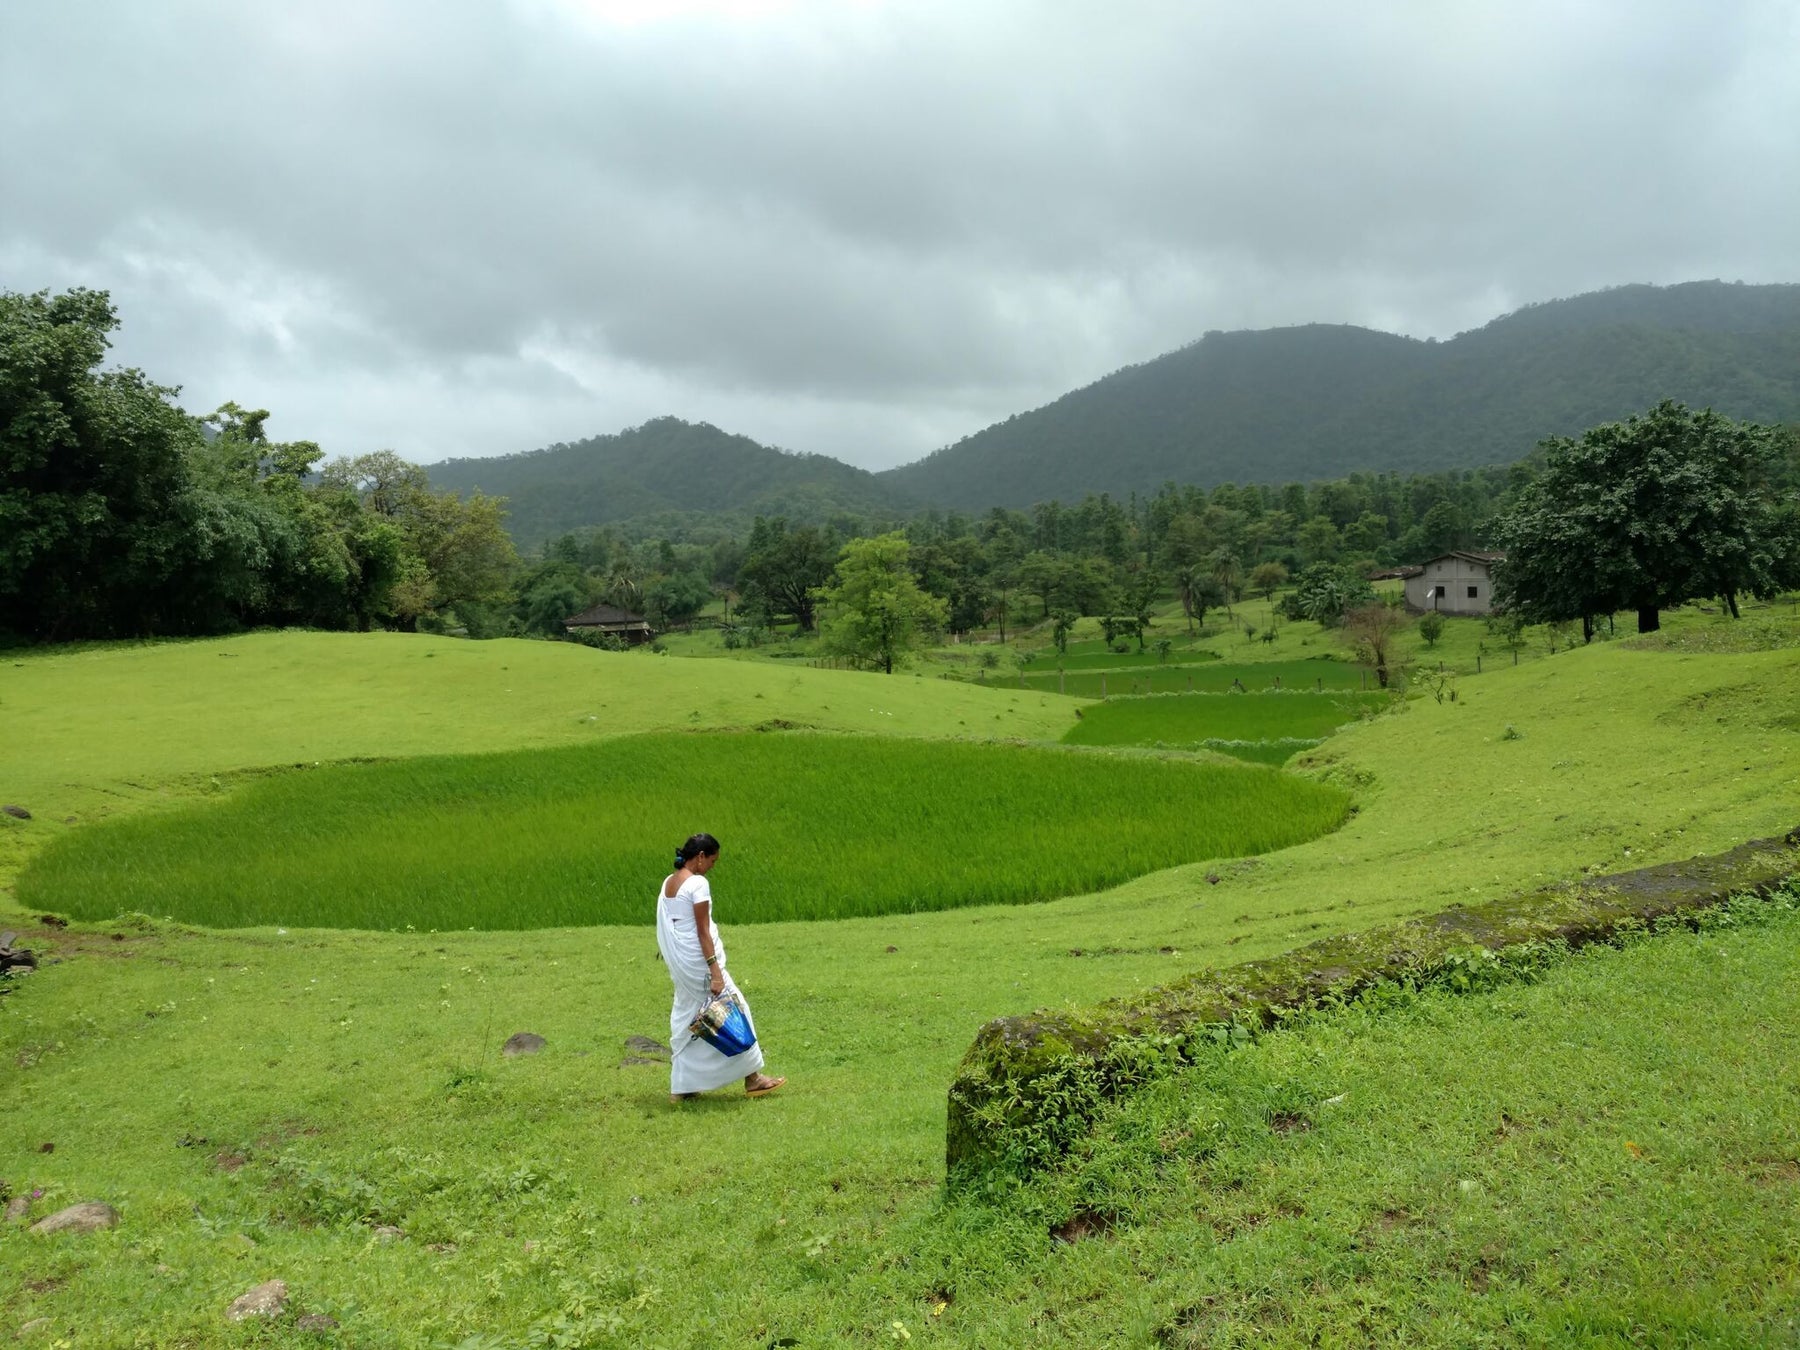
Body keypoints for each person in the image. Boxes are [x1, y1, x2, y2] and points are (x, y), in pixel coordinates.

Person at [655, 833, 784, 1104]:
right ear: (700, 856)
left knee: (687, 1019)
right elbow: (702, 931)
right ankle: (753, 1078)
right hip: (700, 965)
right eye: (712, 860)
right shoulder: (698, 883)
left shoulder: (669, 882)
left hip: (682, 967)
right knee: (736, 1010)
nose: (713, 865)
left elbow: (674, 925)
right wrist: (715, 971)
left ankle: (681, 1088)